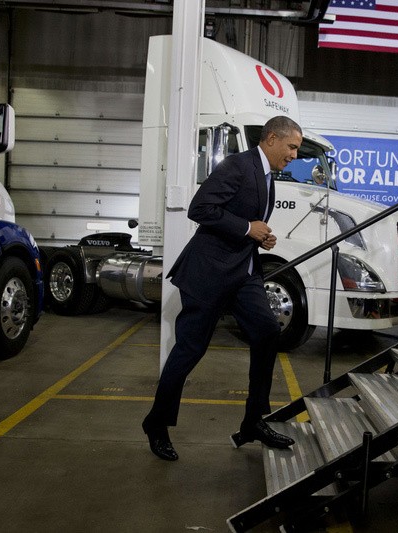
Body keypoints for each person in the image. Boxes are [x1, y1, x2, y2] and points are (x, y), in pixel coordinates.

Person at [141, 115, 301, 461]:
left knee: (267, 331)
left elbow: (245, 223)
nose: (294, 155)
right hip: (209, 273)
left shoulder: (266, 174)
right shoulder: (238, 166)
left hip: (243, 274)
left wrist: (259, 236)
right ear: (272, 139)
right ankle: (156, 423)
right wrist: (247, 228)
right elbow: (200, 209)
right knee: (190, 350)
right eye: (291, 147)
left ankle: (254, 421)